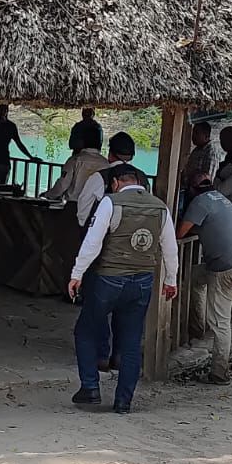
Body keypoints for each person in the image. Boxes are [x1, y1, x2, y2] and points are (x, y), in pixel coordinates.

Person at [68, 164, 177, 413]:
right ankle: (123, 402)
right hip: (143, 281)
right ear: (140, 182)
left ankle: (90, 387)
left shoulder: (111, 202)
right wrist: (171, 280)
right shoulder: (160, 208)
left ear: (116, 182)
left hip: (109, 279)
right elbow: (170, 248)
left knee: (85, 330)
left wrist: (77, 274)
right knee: (131, 341)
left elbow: (92, 242)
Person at [177, 175, 232, 385]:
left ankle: (219, 373)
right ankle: (197, 330)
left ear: (192, 189)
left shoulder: (199, 202)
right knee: (194, 277)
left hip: (224, 269)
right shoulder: (220, 198)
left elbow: (180, 233)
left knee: (220, 323)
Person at [75, 132, 148, 226]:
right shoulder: (143, 177)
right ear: (132, 155)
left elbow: (83, 209)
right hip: (137, 231)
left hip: (105, 231)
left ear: (110, 154)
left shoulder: (100, 177)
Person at [42, 130, 109, 202]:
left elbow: (62, 185)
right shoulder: (105, 163)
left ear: (83, 142)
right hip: (96, 205)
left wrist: (48, 195)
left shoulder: (75, 160)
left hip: (74, 204)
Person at [0, 104, 35, 185]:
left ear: (7, 111)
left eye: (4, 110)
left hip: (2, 163)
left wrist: (30, 157)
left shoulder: (10, 126)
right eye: (0, 110)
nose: (2, 112)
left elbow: (19, 143)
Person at [183, 121, 221, 190]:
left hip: (199, 192)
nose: (193, 136)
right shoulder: (197, 149)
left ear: (206, 136)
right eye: (193, 133)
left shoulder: (211, 152)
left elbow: (208, 180)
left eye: (197, 133)